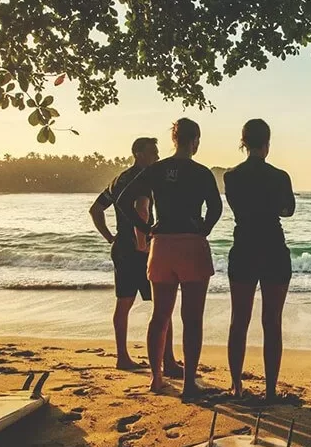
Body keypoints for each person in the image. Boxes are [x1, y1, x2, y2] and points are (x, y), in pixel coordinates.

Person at [116, 119, 222, 397]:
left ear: (174, 140)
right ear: (195, 140)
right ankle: (188, 385)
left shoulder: (156, 170)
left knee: (160, 315)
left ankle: (156, 379)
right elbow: (216, 207)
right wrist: (204, 228)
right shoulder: (201, 172)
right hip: (190, 243)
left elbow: (123, 199)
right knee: (192, 318)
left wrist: (143, 227)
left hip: (161, 244)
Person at [89, 137, 182, 376]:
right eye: (153, 152)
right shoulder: (143, 180)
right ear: (138, 153)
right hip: (141, 248)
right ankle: (168, 361)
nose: (157, 157)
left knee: (124, 301)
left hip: (121, 246)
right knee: (163, 305)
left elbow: (96, 209)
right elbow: (142, 208)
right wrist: (143, 242)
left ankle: (123, 356)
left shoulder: (117, 181)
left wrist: (110, 237)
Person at [224, 119, 295, 401]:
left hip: (243, 247)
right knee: (272, 322)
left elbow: (238, 207)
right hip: (273, 248)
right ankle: (270, 390)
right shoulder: (280, 176)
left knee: (238, 320)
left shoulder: (231, 176)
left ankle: (236, 385)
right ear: (267, 143)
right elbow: (288, 210)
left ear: (243, 142)